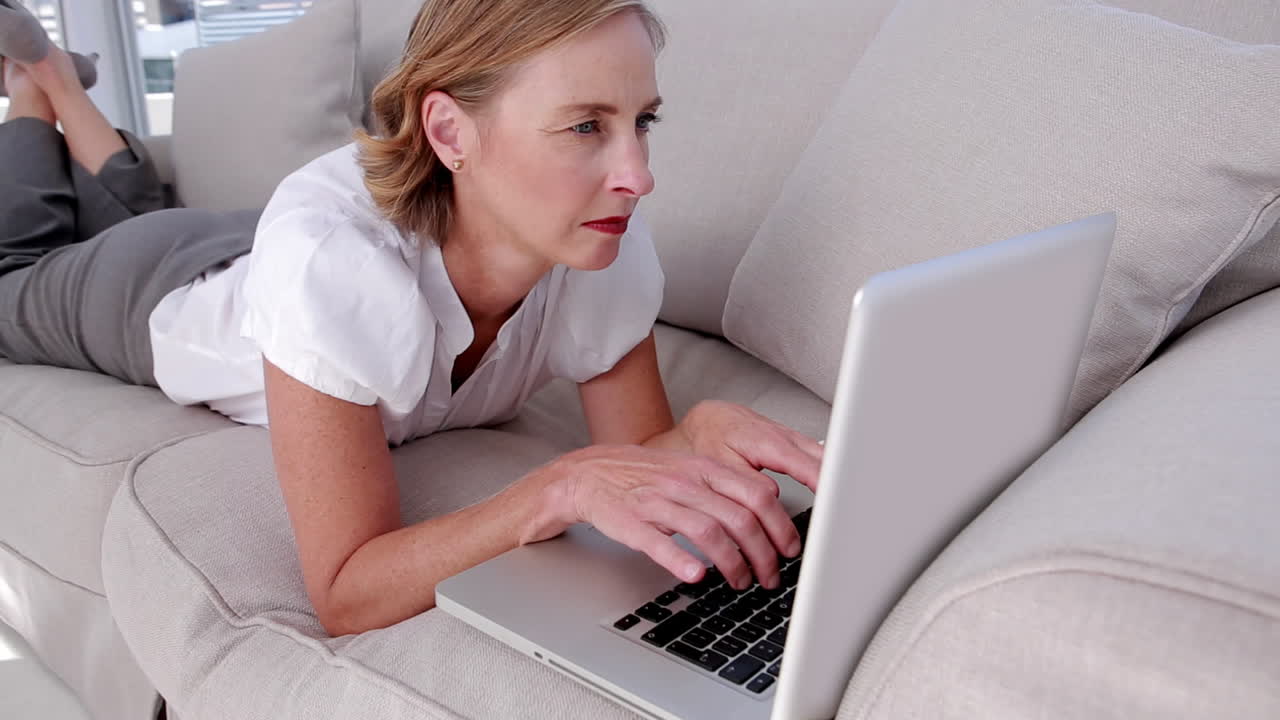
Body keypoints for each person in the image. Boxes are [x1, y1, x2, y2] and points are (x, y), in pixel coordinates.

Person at [0, 0, 825, 637]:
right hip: (154, 287)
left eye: (640, 122)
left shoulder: (597, 243)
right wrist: (554, 489)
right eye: (585, 126)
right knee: (17, 269)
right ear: (448, 131)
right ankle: (39, 91)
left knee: (142, 204)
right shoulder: (337, 270)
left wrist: (701, 431)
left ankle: (58, 85)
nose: (638, 177)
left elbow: (643, 459)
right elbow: (346, 592)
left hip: (270, 241)